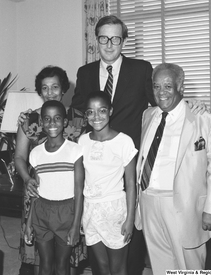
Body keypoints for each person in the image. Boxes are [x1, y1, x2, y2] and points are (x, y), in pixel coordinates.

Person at [70, 14, 207, 275]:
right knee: (97, 229)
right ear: (96, 39)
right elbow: (76, 110)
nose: (109, 44)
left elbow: (163, 101)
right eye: (103, 38)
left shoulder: (141, 69)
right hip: (99, 166)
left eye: (116, 38)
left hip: (131, 160)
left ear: (124, 41)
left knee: (129, 231)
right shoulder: (85, 72)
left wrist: (192, 105)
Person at [135, 63, 211, 274]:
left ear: (180, 87)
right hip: (148, 200)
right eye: (156, 86)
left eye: (168, 86)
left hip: (183, 203)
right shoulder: (148, 115)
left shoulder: (203, 119)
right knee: (161, 265)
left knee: (189, 266)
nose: (161, 92)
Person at [14, 65, 86, 275]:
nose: (50, 92)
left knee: (67, 258)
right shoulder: (28, 120)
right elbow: (19, 156)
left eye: (55, 87)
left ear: (63, 89)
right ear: (39, 91)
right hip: (38, 193)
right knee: (40, 257)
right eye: (45, 88)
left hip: (69, 197)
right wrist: (27, 179)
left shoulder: (78, 118)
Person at [78, 91, 137, 275]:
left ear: (110, 111)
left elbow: (131, 182)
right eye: (90, 112)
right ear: (86, 115)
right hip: (90, 210)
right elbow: (81, 182)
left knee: (118, 268)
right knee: (101, 266)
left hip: (114, 211)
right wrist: (81, 214)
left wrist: (130, 219)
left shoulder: (124, 141)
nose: (96, 117)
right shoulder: (82, 141)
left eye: (102, 110)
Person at [24, 100, 84, 275]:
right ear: (41, 123)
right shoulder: (35, 154)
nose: (52, 123)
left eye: (57, 118)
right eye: (47, 119)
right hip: (41, 211)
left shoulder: (75, 150)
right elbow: (35, 191)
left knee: (61, 265)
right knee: (45, 264)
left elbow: (79, 191)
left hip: (66, 212)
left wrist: (75, 225)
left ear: (65, 122)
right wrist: (29, 222)